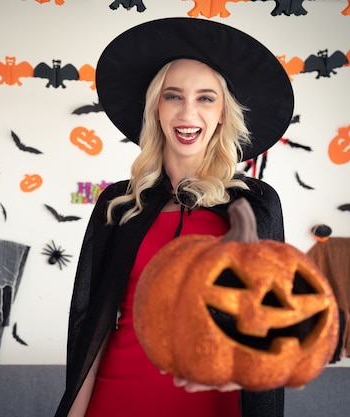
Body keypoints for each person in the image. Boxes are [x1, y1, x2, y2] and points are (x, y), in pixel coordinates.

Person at [54, 17, 294, 417]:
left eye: (205, 98)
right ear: (156, 109)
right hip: (118, 398)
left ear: (222, 114)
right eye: (173, 96)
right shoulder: (119, 202)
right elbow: (89, 324)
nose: (188, 112)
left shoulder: (257, 204)